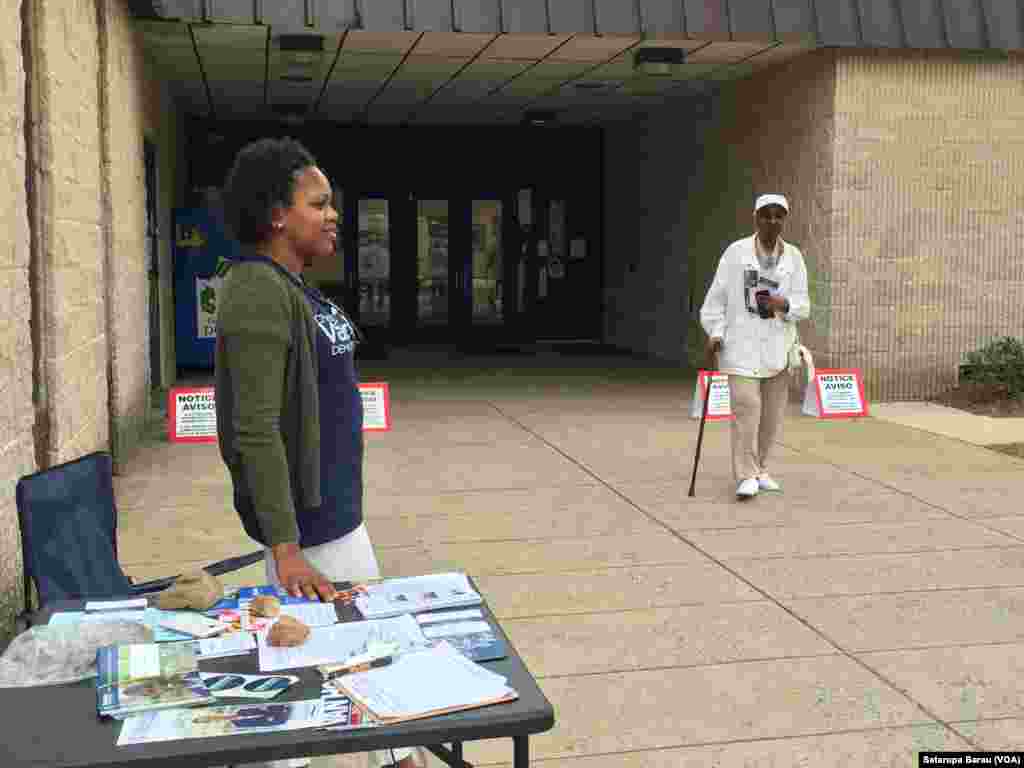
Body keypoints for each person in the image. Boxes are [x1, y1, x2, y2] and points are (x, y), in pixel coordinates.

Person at [216, 137, 423, 768]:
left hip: (334, 516)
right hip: (313, 531)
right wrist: (284, 547)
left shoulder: (295, 288)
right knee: (363, 670)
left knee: (327, 676)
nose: (334, 214)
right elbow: (254, 430)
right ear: (278, 214)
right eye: (319, 203)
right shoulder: (257, 290)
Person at [699, 193, 810, 499]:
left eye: (778, 215)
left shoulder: (794, 258)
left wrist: (783, 303)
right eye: (766, 215)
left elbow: (804, 306)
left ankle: (760, 467)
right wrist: (716, 333)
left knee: (772, 416)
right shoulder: (735, 253)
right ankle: (745, 474)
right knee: (747, 408)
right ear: (756, 218)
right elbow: (714, 303)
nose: (772, 221)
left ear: (784, 220)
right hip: (741, 345)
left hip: (778, 346)